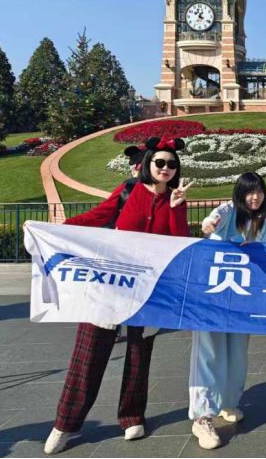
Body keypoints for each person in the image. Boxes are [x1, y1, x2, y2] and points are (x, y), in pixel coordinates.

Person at [44, 137, 193, 454]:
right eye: (160, 162)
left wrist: (176, 208)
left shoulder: (175, 199)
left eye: (171, 164)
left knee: (139, 353)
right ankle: (65, 424)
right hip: (111, 283)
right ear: (148, 164)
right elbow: (98, 217)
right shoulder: (129, 190)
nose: (166, 168)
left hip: (150, 288)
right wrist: (56, 231)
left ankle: (132, 417)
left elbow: (180, 242)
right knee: (89, 352)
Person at [189, 173, 266, 450]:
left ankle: (228, 402)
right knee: (208, 352)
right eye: (249, 192)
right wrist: (208, 224)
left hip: (241, 299)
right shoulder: (229, 211)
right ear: (240, 194)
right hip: (212, 297)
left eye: (259, 192)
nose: (255, 197)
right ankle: (202, 416)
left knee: (237, 352)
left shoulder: (263, 223)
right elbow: (211, 221)